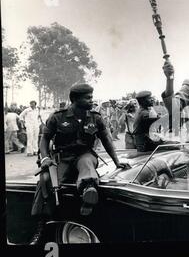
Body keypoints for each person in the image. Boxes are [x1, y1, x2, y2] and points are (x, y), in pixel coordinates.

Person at [38, 84, 129, 216]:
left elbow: (106, 141)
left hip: (85, 154)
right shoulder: (57, 117)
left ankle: (89, 194)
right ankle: (46, 215)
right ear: (74, 99)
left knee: (87, 165)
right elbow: (45, 139)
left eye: (91, 97)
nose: (91, 100)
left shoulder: (95, 117)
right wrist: (45, 158)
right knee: (51, 184)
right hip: (63, 158)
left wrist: (116, 161)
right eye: (88, 98)